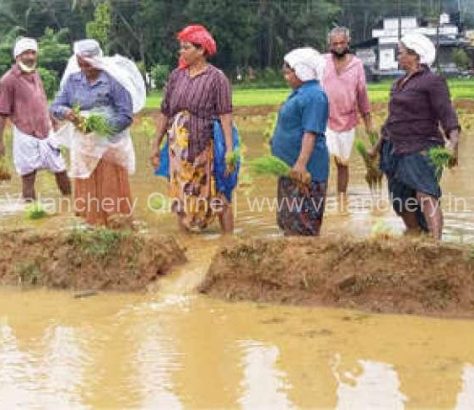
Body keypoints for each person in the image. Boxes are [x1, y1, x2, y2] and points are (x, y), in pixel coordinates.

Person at [371, 33, 460, 240]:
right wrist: (376, 148)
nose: (397, 56)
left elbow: (447, 114)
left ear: (415, 56)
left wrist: (453, 144)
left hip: (420, 146)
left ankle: (436, 243)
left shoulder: (433, 81)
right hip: (394, 148)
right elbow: (392, 120)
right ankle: (415, 235)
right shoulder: (398, 83)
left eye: (401, 52)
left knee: (425, 193)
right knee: (400, 200)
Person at [151, 25, 236, 234]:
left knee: (217, 193)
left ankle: (229, 243)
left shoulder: (217, 78)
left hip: (205, 146)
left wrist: (229, 149)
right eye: (181, 48)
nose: (181, 52)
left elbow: (225, 114)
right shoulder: (176, 77)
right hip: (177, 150)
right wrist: (155, 144)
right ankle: (186, 241)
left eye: (186, 47)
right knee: (180, 193)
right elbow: (165, 112)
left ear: (201, 50)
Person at [50, 39, 145, 226]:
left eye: (89, 63)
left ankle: (116, 224)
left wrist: (99, 126)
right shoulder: (72, 81)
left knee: (109, 184)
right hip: (84, 145)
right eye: (81, 63)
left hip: (109, 145)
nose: (85, 68)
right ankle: (93, 224)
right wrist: (67, 113)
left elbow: (126, 116)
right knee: (88, 181)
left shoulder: (113, 81)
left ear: (97, 59)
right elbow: (55, 106)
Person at [0, 37, 71, 201]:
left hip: (47, 131)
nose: (31, 57)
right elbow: (2, 112)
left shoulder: (36, 74)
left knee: (61, 170)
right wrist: (1, 141)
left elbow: (42, 99)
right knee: (28, 176)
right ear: (17, 57)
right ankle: (31, 210)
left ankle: (71, 205)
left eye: (33, 53)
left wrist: (53, 119)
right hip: (25, 135)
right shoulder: (8, 80)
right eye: (26, 53)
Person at [271, 47, 329, 236]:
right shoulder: (300, 93)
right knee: (288, 221)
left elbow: (310, 132)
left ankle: (307, 261)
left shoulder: (314, 96)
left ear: (303, 72)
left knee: (303, 224)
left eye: (289, 72)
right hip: (290, 168)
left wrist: (301, 164)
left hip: (305, 172)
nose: (286, 77)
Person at [322, 27, 373, 206]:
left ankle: (341, 199)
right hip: (325, 120)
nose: (338, 47)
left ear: (348, 43)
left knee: (343, 163)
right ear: (330, 45)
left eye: (342, 43)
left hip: (348, 120)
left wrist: (368, 124)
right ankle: (319, 196)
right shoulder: (322, 62)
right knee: (329, 157)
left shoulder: (357, 64)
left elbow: (362, 95)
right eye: (334, 43)